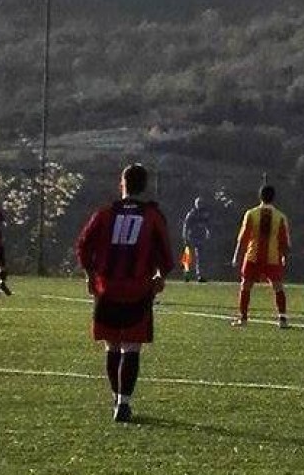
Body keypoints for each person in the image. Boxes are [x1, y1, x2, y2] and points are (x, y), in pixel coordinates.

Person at [75, 163, 174, 423]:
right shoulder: (152, 215)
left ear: (123, 184)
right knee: (131, 347)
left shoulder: (105, 213)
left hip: (106, 289)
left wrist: (89, 275)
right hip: (138, 290)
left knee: (112, 345)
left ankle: (115, 397)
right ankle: (123, 403)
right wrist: (160, 276)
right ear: (144, 186)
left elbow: (83, 246)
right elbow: (166, 253)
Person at [231, 184, 291, 328]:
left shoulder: (251, 214)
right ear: (274, 198)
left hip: (253, 256)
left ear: (260, 196)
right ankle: (282, 319)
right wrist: (285, 256)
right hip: (273, 257)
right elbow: (284, 241)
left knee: (245, 286)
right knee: (278, 287)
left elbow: (243, 237)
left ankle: (243, 318)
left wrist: (236, 256)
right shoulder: (280, 216)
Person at [182, 196, 212, 282]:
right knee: (188, 256)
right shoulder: (191, 213)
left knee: (200, 257)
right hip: (191, 237)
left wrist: (208, 232)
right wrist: (185, 237)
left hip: (200, 237)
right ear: (195, 204)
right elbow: (186, 226)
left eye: (201, 203)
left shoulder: (204, 213)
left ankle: (200, 275)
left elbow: (208, 224)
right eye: (198, 203)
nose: (199, 205)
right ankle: (186, 273)